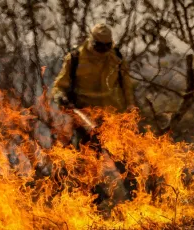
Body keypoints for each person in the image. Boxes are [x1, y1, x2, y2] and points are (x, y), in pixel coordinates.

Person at [50, 23, 137, 218]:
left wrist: (131, 111)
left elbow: (127, 86)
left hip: (113, 120)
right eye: (100, 46)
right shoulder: (76, 59)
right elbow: (59, 87)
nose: (103, 50)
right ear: (92, 42)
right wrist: (61, 97)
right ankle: (94, 210)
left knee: (125, 166)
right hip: (85, 122)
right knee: (88, 169)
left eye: (107, 46)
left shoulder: (116, 58)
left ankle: (138, 206)